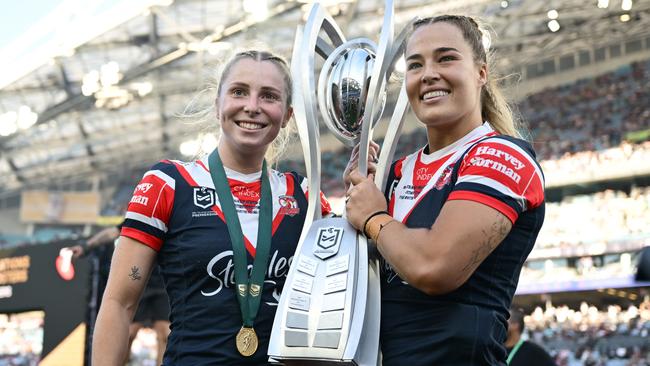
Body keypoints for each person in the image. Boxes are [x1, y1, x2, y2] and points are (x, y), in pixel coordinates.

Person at [92, 49, 331, 365]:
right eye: (239, 92)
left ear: (286, 115)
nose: (252, 106)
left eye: (269, 96)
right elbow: (119, 304)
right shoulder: (167, 183)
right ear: (217, 104)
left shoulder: (304, 195)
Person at [344, 15, 545, 365]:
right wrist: (353, 201)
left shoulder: (502, 156)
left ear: (481, 72)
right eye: (415, 64)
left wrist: (374, 217)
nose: (429, 74)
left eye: (446, 58)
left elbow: (435, 267)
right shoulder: (394, 172)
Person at [68, 224, 171, 366]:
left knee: (165, 334)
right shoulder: (147, 212)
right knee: (129, 334)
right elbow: (113, 232)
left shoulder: (176, 212)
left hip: (164, 284)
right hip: (140, 282)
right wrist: (86, 246)